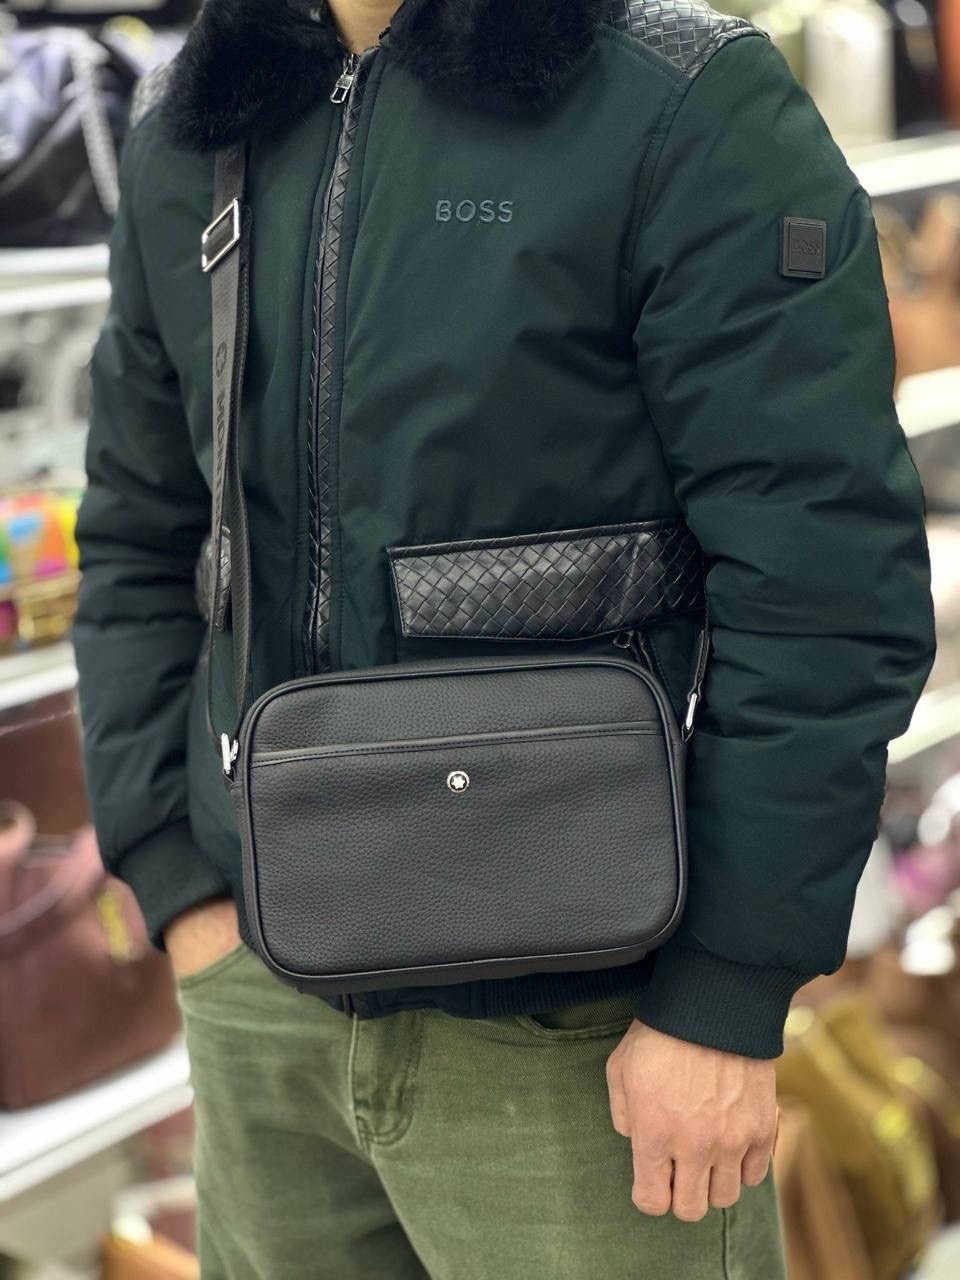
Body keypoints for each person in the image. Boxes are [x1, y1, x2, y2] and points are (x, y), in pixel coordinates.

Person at [73, 1, 936, 1276]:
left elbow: (823, 577)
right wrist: (174, 875)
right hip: (264, 991)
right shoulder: (195, 122)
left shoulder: (676, 102)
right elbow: (137, 534)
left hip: (581, 1018)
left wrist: (728, 987)